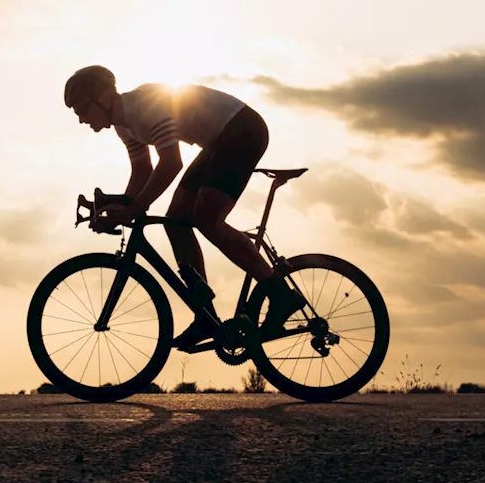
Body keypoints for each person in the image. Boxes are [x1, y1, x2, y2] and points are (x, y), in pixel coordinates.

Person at [63, 64, 304, 348]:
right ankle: (205, 316)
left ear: (103, 97)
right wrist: (120, 209)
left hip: (242, 130)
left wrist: (132, 209)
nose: (80, 119)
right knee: (176, 221)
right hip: (217, 141)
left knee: (206, 218)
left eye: (81, 109)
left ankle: (280, 293)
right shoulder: (123, 126)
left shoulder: (143, 108)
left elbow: (171, 163)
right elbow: (142, 171)